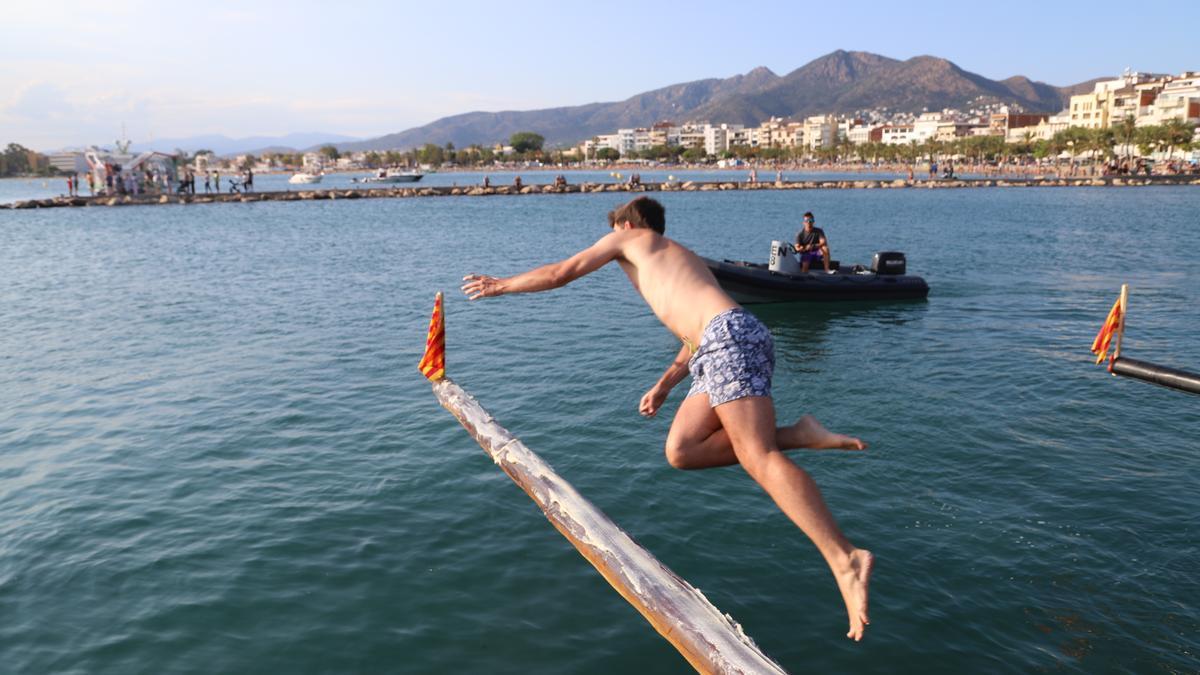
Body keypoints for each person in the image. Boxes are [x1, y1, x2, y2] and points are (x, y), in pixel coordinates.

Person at [461, 196, 873, 642]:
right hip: (722, 342)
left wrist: (502, 286)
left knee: (758, 457)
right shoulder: (680, 259)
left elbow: (563, 272)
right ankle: (797, 433)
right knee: (682, 450)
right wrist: (664, 385)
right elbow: (693, 333)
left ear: (625, 224)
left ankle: (844, 557)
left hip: (727, 340)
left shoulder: (631, 238)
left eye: (613, 229)